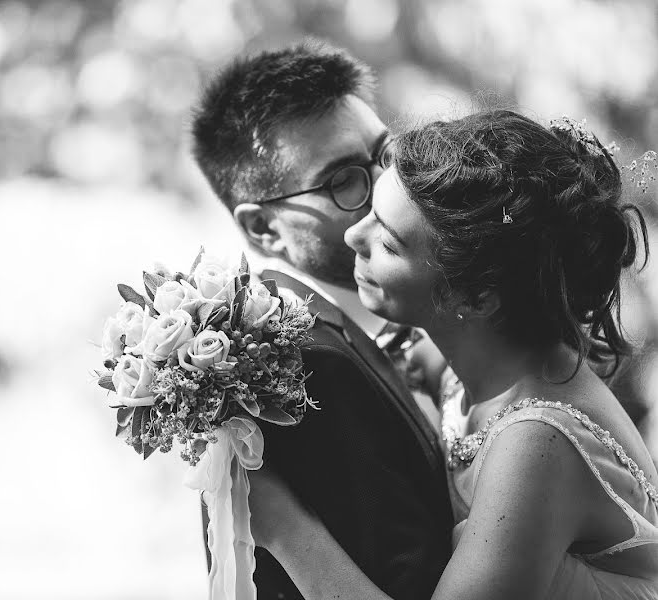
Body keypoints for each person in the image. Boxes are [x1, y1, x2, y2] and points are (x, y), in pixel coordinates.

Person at [247, 109, 658, 599]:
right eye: (370, 215)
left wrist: (285, 529)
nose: (355, 237)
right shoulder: (479, 360)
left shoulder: (537, 445)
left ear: (476, 298)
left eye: (389, 243)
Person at [190, 41, 454, 599]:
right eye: (344, 181)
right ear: (264, 229)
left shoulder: (409, 322)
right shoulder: (303, 364)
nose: (389, 187)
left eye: (385, 153)